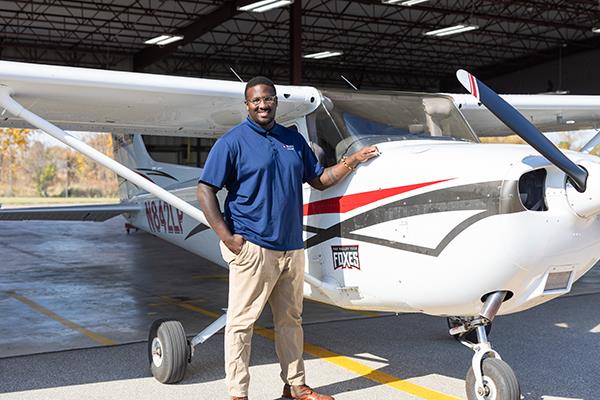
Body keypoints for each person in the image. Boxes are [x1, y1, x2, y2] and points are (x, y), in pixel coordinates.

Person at [197, 76, 379, 400]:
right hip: (253, 246)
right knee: (241, 324)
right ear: (247, 105)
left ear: (276, 101)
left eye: (268, 99)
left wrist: (352, 161)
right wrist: (228, 237)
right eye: (256, 101)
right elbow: (205, 189)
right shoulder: (232, 142)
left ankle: (295, 386)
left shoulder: (292, 140)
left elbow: (320, 179)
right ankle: (238, 394)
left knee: (291, 321)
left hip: (292, 247)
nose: (263, 105)